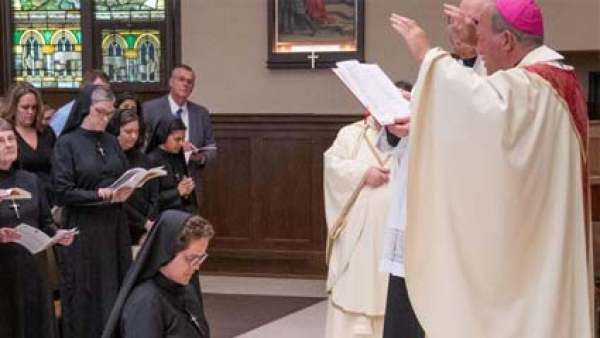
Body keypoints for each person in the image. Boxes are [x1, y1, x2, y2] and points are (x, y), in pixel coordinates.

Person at [390, 0, 593, 337]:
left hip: (529, 253)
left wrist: (428, 54)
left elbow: (480, 104)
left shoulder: (531, 88)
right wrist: (472, 40)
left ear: (509, 41)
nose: (477, 47)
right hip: (543, 237)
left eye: (481, 36)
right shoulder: (558, 80)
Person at [52, 85, 134, 338]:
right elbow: (63, 191)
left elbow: (120, 174)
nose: (105, 119)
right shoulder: (67, 143)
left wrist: (128, 187)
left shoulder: (110, 141)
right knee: (88, 292)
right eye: (100, 112)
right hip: (85, 228)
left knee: (116, 286)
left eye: (110, 114)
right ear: (86, 108)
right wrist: (99, 195)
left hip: (114, 226)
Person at [323, 113, 397, 337]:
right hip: (358, 235)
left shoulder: (415, 136)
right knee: (355, 288)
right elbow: (332, 167)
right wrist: (363, 173)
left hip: (396, 236)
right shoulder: (350, 135)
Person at [0, 117, 74, 338]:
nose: (9, 144)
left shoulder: (30, 180)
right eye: (1, 141)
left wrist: (57, 234)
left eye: (11, 139)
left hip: (34, 270)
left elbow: (45, 221)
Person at [101, 210, 213, 338]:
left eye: (200, 258)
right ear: (167, 252)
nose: (197, 266)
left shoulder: (187, 290)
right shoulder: (146, 302)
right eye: (191, 258)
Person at [374, 81, 425, 338]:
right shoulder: (432, 83)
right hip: (412, 212)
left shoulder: (491, 83)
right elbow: (398, 147)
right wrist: (395, 125)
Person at [143, 64, 216, 209]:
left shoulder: (200, 113)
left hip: (191, 186)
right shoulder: (150, 109)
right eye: (181, 79)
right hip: (160, 185)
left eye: (190, 81)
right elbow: (143, 146)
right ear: (171, 82)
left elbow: (212, 149)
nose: (185, 84)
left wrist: (199, 157)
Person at [2, 83, 57, 207]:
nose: (30, 112)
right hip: (21, 198)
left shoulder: (46, 132)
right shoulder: (7, 135)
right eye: (25, 107)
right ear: (14, 107)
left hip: (50, 197)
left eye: (34, 107)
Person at [108, 109, 158, 244]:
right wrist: (143, 222)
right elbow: (115, 198)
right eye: (128, 132)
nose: (134, 136)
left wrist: (149, 222)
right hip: (118, 225)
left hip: (145, 226)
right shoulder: (107, 159)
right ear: (116, 131)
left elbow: (154, 195)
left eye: (136, 132)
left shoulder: (143, 159)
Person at [147, 113, 197, 214]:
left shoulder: (178, 156)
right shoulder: (151, 160)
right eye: (177, 139)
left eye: (183, 139)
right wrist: (178, 192)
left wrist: (188, 189)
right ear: (164, 135)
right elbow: (150, 200)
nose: (182, 144)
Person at [50, 69, 110, 137]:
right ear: (85, 89)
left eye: (106, 91)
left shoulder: (107, 114)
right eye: (98, 89)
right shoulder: (64, 114)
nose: (103, 94)